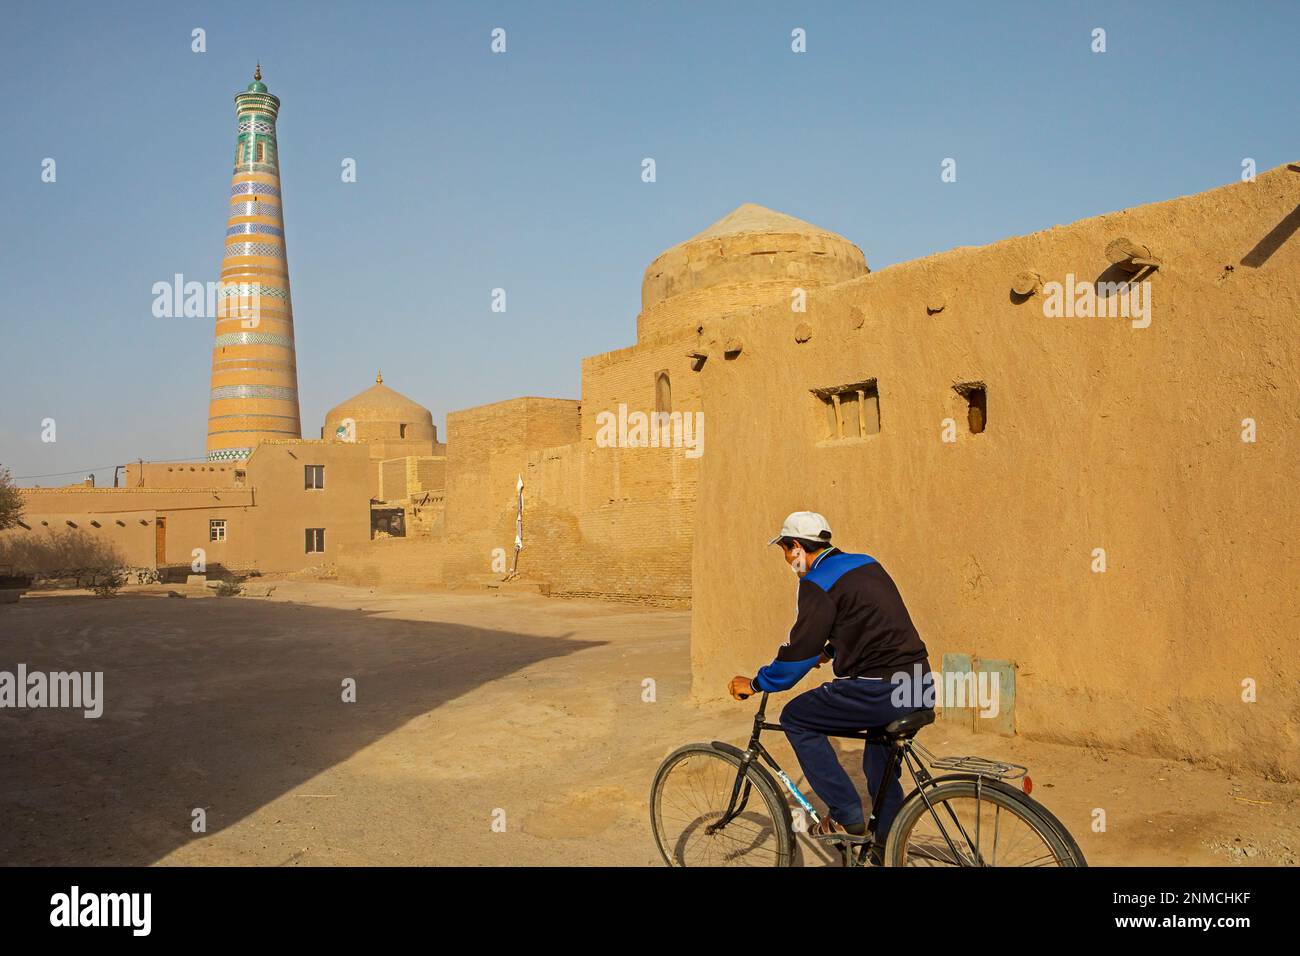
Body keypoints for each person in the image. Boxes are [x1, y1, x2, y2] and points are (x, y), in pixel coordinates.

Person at [728, 511, 932, 855]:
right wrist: (830, 650)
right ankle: (889, 850)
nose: (786, 560)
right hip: (919, 683)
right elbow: (869, 620)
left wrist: (757, 682)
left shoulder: (815, 583)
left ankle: (845, 815)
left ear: (796, 547)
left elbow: (796, 657)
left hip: (879, 690)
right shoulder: (866, 563)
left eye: (784, 551)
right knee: (878, 767)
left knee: (796, 717)